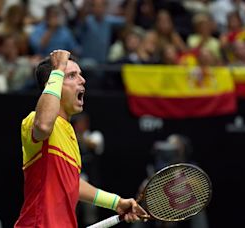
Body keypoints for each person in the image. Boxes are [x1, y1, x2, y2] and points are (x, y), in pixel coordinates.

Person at [14, 49, 148, 227]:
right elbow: (44, 125)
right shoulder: (34, 120)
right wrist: (59, 68)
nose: (82, 80)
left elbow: (72, 184)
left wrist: (116, 202)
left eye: (80, 74)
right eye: (71, 75)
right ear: (53, 83)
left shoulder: (69, 134)